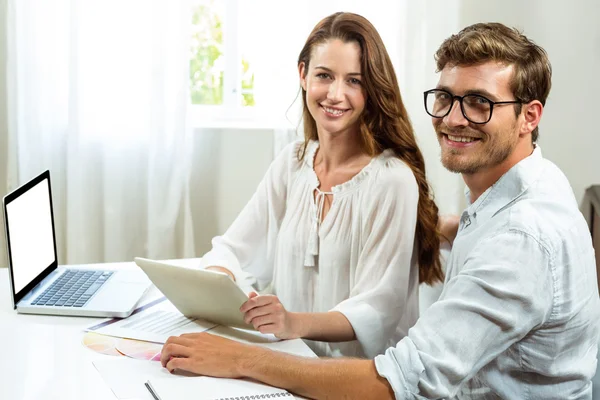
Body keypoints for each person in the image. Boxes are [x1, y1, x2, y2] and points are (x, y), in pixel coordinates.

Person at [160, 22, 600, 399]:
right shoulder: (522, 193)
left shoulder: (520, 238)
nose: (454, 118)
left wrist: (243, 358)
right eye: (445, 98)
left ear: (529, 116)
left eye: (480, 103)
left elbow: (398, 382)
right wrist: (439, 226)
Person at [196, 11, 443, 359]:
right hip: (287, 369)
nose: (335, 94)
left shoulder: (392, 180)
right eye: (324, 76)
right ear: (303, 75)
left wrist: (292, 322)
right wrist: (218, 278)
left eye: (354, 81)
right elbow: (234, 250)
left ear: (371, 88)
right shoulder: (292, 163)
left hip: (357, 381)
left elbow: (378, 307)